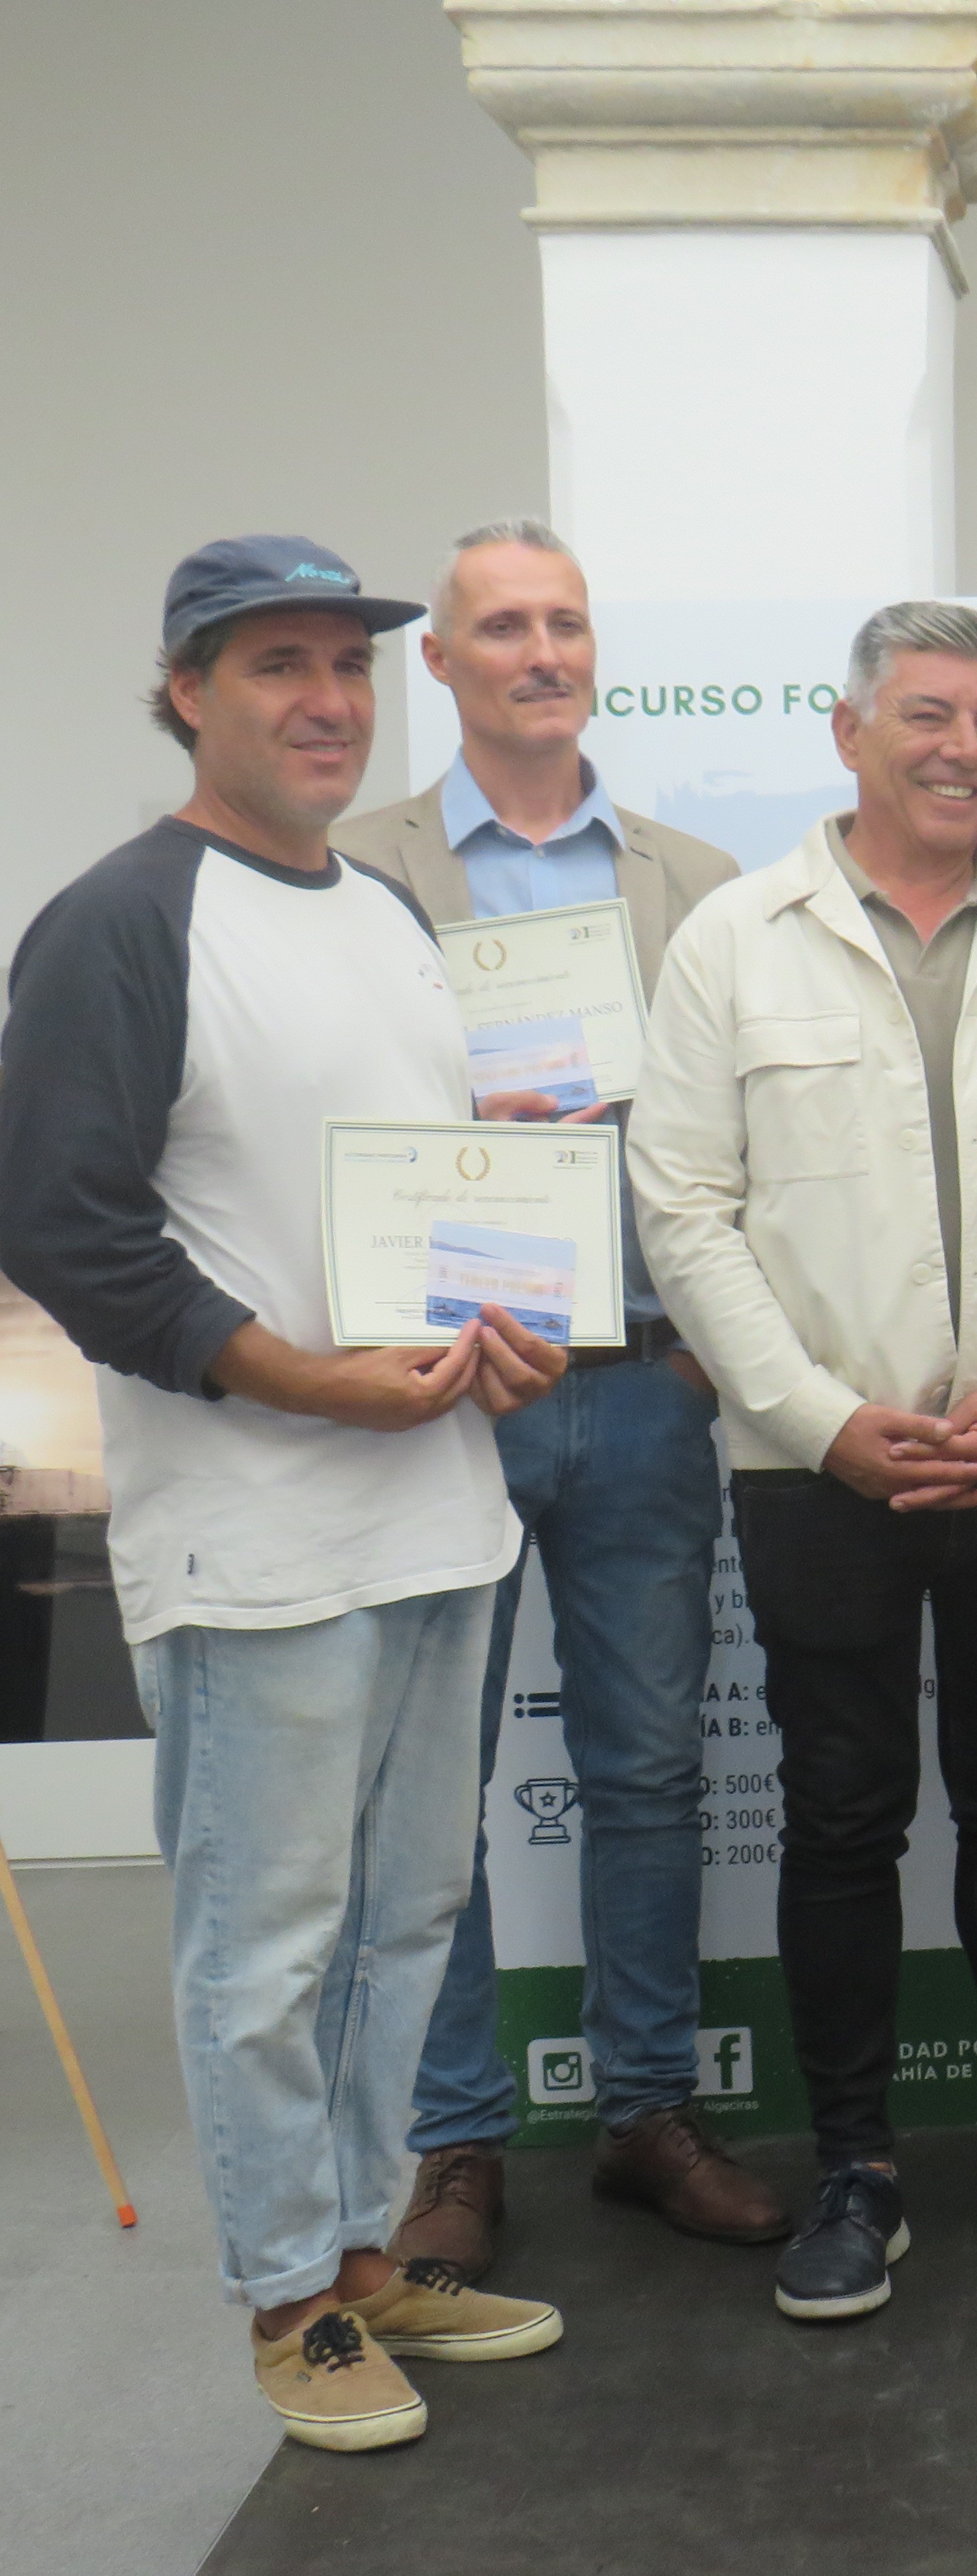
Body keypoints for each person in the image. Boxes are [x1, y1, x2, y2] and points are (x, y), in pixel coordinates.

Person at [0, 536, 571, 2451]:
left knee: (406, 1920)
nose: (328, 700)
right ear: (187, 692)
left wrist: (508, 1318)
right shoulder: (121, 921)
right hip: (255, 1535)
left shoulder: (388, 917)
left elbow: (403, 1196)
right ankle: (286, 2306)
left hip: (437, 1507)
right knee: (264, 1949)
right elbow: (61, 1223)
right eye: (279, 666)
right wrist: (299, 1377)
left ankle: (362, 2250)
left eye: (350, 664)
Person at [632, 601, 977, 2322]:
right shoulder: (735, 940)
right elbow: (683, 1209)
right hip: (818, 1470)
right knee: (843, 1820)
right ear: (850, 729)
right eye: (930, 715)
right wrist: (820, 1422)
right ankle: (857, 2172)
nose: (965, 750)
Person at [331, 519, 783, 2275]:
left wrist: (707, 1345)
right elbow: (314, 1120)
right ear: (439, 662)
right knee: (424, 1788)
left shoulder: (696, 878)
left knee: (650, 1770)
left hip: (644, 1387)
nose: (541, 652)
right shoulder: (350, 873)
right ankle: (456, 2144)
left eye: (566, 624)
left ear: (597, 653)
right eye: (504, 627)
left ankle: (648, 2110)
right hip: (441, 1393)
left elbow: (749, 1130)